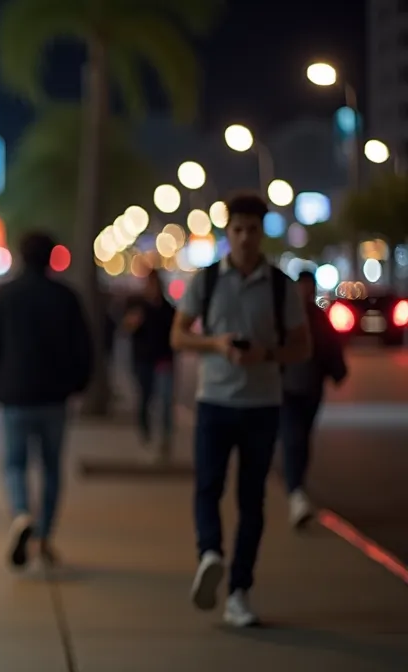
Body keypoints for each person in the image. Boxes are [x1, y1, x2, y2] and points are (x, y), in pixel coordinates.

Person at [170, 192, 311, 628]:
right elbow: (178, 336)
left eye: (253, 229)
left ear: (261, 232)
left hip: (261, 405)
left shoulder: (279, 285)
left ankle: (239, 590)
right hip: (214, 401)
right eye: (238, 229)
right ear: (227, 233)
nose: (246, 237)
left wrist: (265, 354)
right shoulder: (207, 280)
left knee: (253, 500)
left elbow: (302, 346)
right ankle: (209, 554)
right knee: (208, 487)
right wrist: (215, 344)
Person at [0, 232, 92, 569]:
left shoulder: (3, 296)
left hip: (14, 395)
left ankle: (22, 513)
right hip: (55, 397)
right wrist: (78, 385)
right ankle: (43, 537)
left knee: (15, 462)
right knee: (52, 467)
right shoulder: (66, 297)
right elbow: (83, 346)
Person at [280, 269, 347, 528]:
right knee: (292, 438)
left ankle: (297, 487)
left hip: (310, 389)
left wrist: (338, 371)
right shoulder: (286, 317)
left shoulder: (318, 318)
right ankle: (295, 492)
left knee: (301, 438)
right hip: (287, 390)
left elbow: (331, 347)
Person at [122, 269, 178, 460]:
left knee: (165, 402)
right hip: (144, 361)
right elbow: (127, 328)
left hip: (163, 361)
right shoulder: (139, 307)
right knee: (145, 398)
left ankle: (164, 439)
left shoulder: (167, 309)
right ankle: (146, 434)